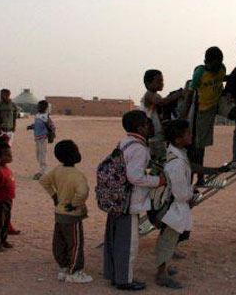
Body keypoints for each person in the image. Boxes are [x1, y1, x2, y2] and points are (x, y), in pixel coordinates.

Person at [103, 110, 165, 291]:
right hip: (128, 202)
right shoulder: (139, 149)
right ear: (141, 128)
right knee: (128, 244)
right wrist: (158, 181)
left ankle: (114, 274)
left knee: (114, 240)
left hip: (116, 199)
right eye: (147, 123)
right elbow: (134, 177)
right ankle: (125, 280)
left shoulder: (124, 142)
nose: (151, 125)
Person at [39, 140, 93, 284]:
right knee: (75, 243)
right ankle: (75, 271)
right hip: (72, 215)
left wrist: (54, 196)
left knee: (60, 241)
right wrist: (74, 204)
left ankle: (64, 267)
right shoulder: (77, 175)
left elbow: (43, 180)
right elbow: (83, 192)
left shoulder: (57, 170)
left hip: (59, 213)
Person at [182, 46, 234, 185]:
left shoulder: (222, 68)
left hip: (217, 103)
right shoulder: (200, 73)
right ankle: (198, 178)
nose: (215, 69)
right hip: (203, 110)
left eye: (218, 65)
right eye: (213, 66)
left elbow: (224, 79)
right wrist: (183, 117)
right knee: (198, 147)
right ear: (206, 62)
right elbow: (189, 96)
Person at [155, 120, 194, 289]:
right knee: (168, 239)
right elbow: (180, 192)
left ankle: (163, 268)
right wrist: (191, 194)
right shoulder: (176, 162)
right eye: (187, 133)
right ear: (178, 139)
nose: (190, 136)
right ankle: (161, 275)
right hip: (173, 208)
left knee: (170, 238)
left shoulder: (178, 154)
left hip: (175, 206)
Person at [140, 69, 183, 163]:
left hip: (157, 135)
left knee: (159, 161)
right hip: (153, 137)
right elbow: (163, 102)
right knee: (160, 161)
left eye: (162, 81)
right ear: (148, 83)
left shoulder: (155, 95)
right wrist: (178, 94)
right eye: (158, 81)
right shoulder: (149, 95)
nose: (161, 83)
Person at [28, 100, 55, 180]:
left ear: (45, 107)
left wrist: (50, 133)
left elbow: (52, 127)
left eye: (40, 106)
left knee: (42, 155)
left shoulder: (46, 117)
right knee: (38, 155)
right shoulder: (37, 115)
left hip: (43, 138)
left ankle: (43, 172)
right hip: (37, 138)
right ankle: (42, 170)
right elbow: (36, 124)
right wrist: (31, 127)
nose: (38, 107)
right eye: (38, 106)